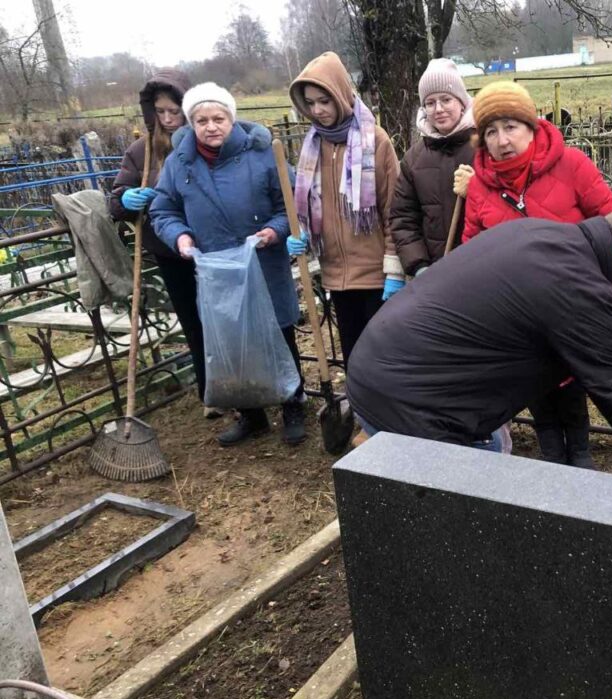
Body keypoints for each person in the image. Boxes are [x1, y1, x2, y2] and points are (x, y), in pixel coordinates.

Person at [346, 208, 612, 503]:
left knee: (493, 450)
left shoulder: (543, 235)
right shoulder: (581, 288)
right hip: (410, 400)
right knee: (472, 515)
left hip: (377, 369)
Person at [461, 81, 612, 470]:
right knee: (533, 385)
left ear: (531, 127)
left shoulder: (572, 165)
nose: (502, 140)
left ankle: (580, 453)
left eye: (510, 127)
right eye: (491, 132)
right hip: (515, 312)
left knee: (573, 381)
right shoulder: (480, 186)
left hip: (571, 302)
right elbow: (472, 249)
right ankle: (550, 455)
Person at [149, 82, 306, 447]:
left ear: (231, 119)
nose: (211, 127)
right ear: (191, 124)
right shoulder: (179, 162)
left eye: (218, 118)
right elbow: (163, 209)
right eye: (201, 120)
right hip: (216, 271)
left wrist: (274, 230)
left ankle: (293, 404)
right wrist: (180, 236)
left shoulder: (262, 153)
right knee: (233, 342)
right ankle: (251, 414)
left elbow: (291, 203)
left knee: (278, 334)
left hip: (262, 262)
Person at [108, 70, 218, 417]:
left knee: (223, 319)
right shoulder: (141, 152)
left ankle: (243, 387)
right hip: (170, 252)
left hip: (213, 248)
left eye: (175, 111)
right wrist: (126, 200)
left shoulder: (205, 142)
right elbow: (115, 202)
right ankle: (211, 394)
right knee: (194, 324)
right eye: (161, 112)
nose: (168, 119)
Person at [285, 52, 401, 369]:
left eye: (325, 101)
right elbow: (312, 203)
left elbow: (394, 210)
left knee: (383, 358)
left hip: (376, 276)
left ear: (340, 95)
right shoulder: (313, 145)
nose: (317, 110)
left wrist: (394, 270)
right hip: (336, 275)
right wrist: (303, 234)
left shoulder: (375, 141)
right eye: (310, 103)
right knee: (354, 358)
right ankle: (360, 401)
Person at [389, 58, 476, 278]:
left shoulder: (484, 147)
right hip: (435, 274)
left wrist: (477, 189)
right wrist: (419, 266)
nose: (438, 109)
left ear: (462, 102)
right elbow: (403, 219)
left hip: (481, 269)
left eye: (446, 99)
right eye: (430, 103)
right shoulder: (414, 159)